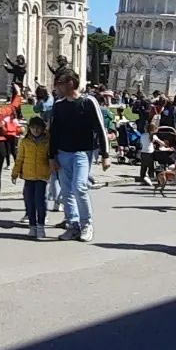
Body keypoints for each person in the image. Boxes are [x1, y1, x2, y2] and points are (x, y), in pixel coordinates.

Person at [49, 70, 110, 242]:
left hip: (82, 153)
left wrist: (106, 154)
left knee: (80, 187)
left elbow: (100, 128)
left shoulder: (88, 102)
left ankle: (86, 224)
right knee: (66, 191)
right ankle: (73, 225)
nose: (57, 87)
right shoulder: (59, 105)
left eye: (59, 82)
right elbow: (54, 132)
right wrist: (52, 157)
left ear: (70, 83)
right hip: (62, 153)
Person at [12, 116, 52, 238]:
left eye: (38, 128)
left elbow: (51, 157)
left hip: (42, 175)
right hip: (28, 175)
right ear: (29, 128)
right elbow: (19, 158)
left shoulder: (47, 141)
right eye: (33, 128)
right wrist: (15, 173)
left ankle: (40, 225)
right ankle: (32, 226)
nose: (36, 130)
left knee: (40, 201)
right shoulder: (25, 141)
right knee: (29, 201)